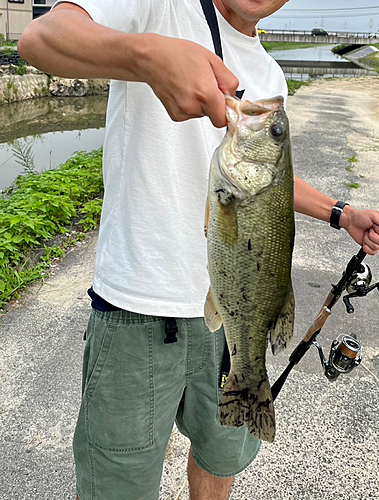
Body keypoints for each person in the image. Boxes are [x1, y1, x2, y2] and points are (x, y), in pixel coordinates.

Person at [18, 1, 379, 499]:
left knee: (219, 456)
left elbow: (264, 176)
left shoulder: (269, 72)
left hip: (231, 323)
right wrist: (145, 55)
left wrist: (340, 213)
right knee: (118, 484)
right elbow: (39, 39)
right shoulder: (158, 7)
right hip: (136, 308)